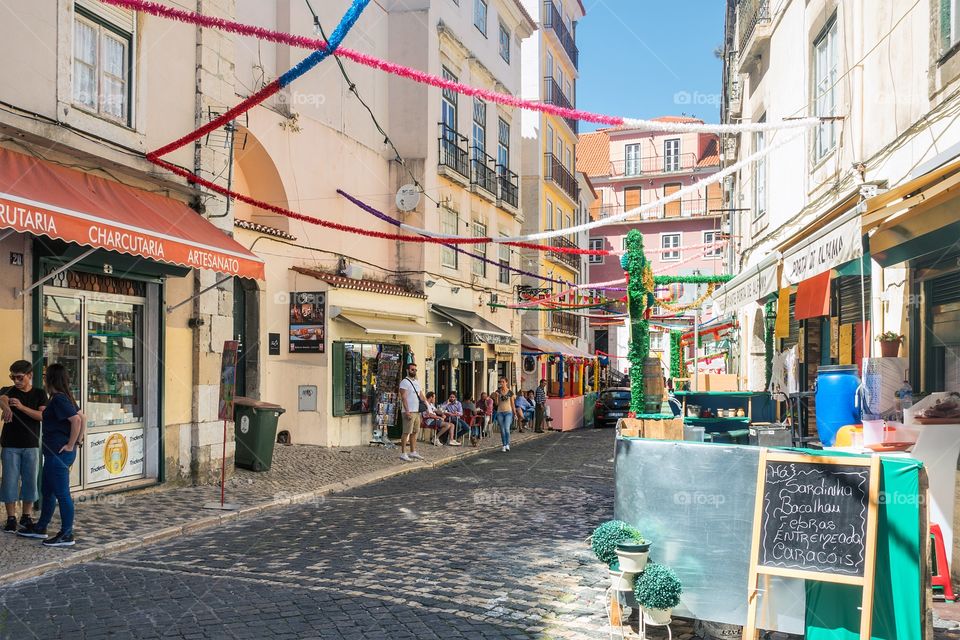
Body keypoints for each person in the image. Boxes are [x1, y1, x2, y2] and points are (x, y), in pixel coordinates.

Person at [18, 363, 83, 546]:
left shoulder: (60, 399)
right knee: (48, 491)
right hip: (54, 454)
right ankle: (41, 527)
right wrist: (78, 441)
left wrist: (72, 444)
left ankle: (67, 534)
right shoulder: (63, 397)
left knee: (62, 494)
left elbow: (77, 420)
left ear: (50, 379)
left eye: (46, 376)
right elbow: (82, 418)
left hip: (58, 454)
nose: (44, 378)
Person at [0, 360, 47, 533]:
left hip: (31, 444)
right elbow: (2, 397)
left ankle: (26, 516)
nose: (16, 381)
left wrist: (21, 407)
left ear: (30, 376)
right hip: (10, 444)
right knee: (9, 482)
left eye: (19, 377)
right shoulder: (9, 389)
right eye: (13, 377)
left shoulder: (39, 393)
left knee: (30, 481)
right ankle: (11, 518)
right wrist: (6, 408)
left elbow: (42, 416)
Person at [398, 362, 427, 462]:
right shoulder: (404, 382)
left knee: (415, 432)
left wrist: (427, 406)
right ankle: (403, 453)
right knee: (406, 432)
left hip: (417, 411)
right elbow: (404, 397)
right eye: (412, 370)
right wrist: (407, 411)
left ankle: (413, 451)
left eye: (415, 370)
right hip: (409, 411)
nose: (414, 371)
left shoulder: (417, 381)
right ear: (407, 370)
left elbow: (421, 395)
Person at [492, 377, 516, 452]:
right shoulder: (498, 392)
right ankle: (504, 445)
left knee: (506, 429)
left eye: (503, 382)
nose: (501, 383)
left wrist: (515, 413)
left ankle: (508, 444)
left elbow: (512, 404)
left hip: (508, 412)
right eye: (500, 382)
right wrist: (496, 396)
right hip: (500, 412)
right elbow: (496, 404)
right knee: (502, 430)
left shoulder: (510, 392)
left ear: (506, 382)